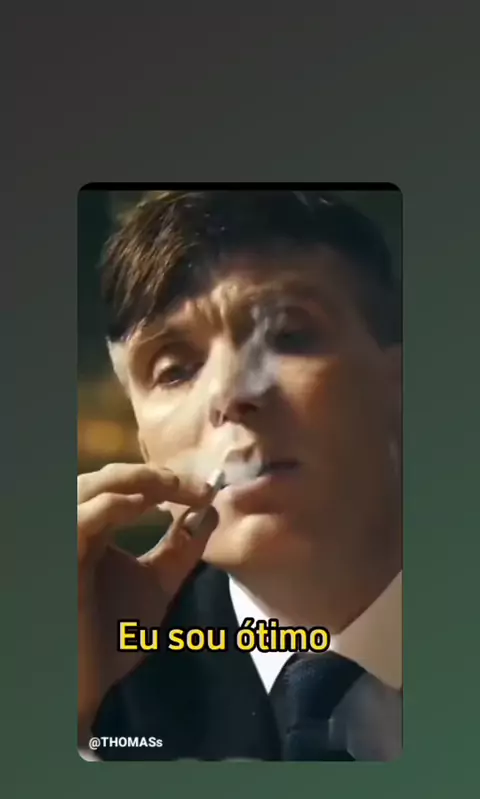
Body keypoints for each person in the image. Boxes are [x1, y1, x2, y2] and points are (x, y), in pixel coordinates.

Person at [78, 188, 402, 761]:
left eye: (286, 336)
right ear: (145, 445)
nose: (229, 395)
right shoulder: (101, 681)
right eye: (175, 370)